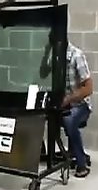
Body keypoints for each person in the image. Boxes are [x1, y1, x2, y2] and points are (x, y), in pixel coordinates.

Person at [40, 33, 93, 178]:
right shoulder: (55, 55)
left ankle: (81, 164)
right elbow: (43, 73)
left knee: (69, 121)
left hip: (80, 105)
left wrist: (68, 99)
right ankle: (46, 154)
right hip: (63, 103)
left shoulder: (77, 56)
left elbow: (88, 88)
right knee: (39, 115)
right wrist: (46, 53)